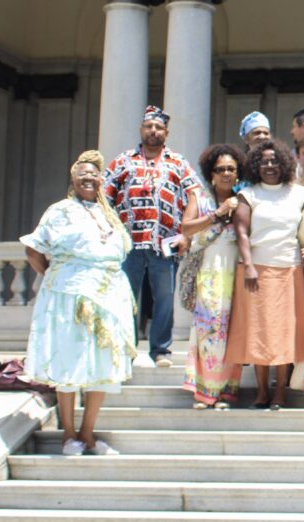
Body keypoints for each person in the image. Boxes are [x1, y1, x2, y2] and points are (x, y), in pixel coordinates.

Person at [23, 150, 135, 455]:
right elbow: (34, 250)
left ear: (101, 180)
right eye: (83, 173)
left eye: (94, 174)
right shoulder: (59, 210)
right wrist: (52, 278)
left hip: (108, 293)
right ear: (73, 178)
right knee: (69, 360)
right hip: (70, 293)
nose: (89, 177)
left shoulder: (107, 212)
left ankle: (88, 433)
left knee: (103, 362)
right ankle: (68, 434)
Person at [102, 105, 201, 368]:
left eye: (159, 128)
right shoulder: (123, 160)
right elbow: (103, 196)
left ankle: (161, 350)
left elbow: (195, 195)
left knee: (164, 297)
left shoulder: (177, 162)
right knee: (126, 297)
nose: (153, 131)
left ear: (166, 133)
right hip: (129, 241)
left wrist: (186, 234)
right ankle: (126, 349)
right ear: (141, 130)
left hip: (165, 242)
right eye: (149, 127)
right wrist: (107, 231)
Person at [226, 140, 304, 410]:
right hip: (256, 272)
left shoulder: (299, 194)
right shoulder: (249, 194)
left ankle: (280, 392)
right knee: (258, 332)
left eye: (275, 161)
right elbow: (241, 231)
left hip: (289, 269)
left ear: (285, 163)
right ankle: (262, 391)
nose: (270, 166)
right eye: (264, 161)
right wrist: (249, 265)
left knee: (284, 333)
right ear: (255, 165)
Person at [181, 144, 245, 410]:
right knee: (210, 331)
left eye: (231, 169)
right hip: (209, 274)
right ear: (211, 173)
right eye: (221, 169)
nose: (226, 174)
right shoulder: (201, 197)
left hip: (235, 274)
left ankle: (226, 390)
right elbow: (186, 228)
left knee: (230, 332)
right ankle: (205, 391)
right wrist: (218, 214)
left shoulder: (244, 200)